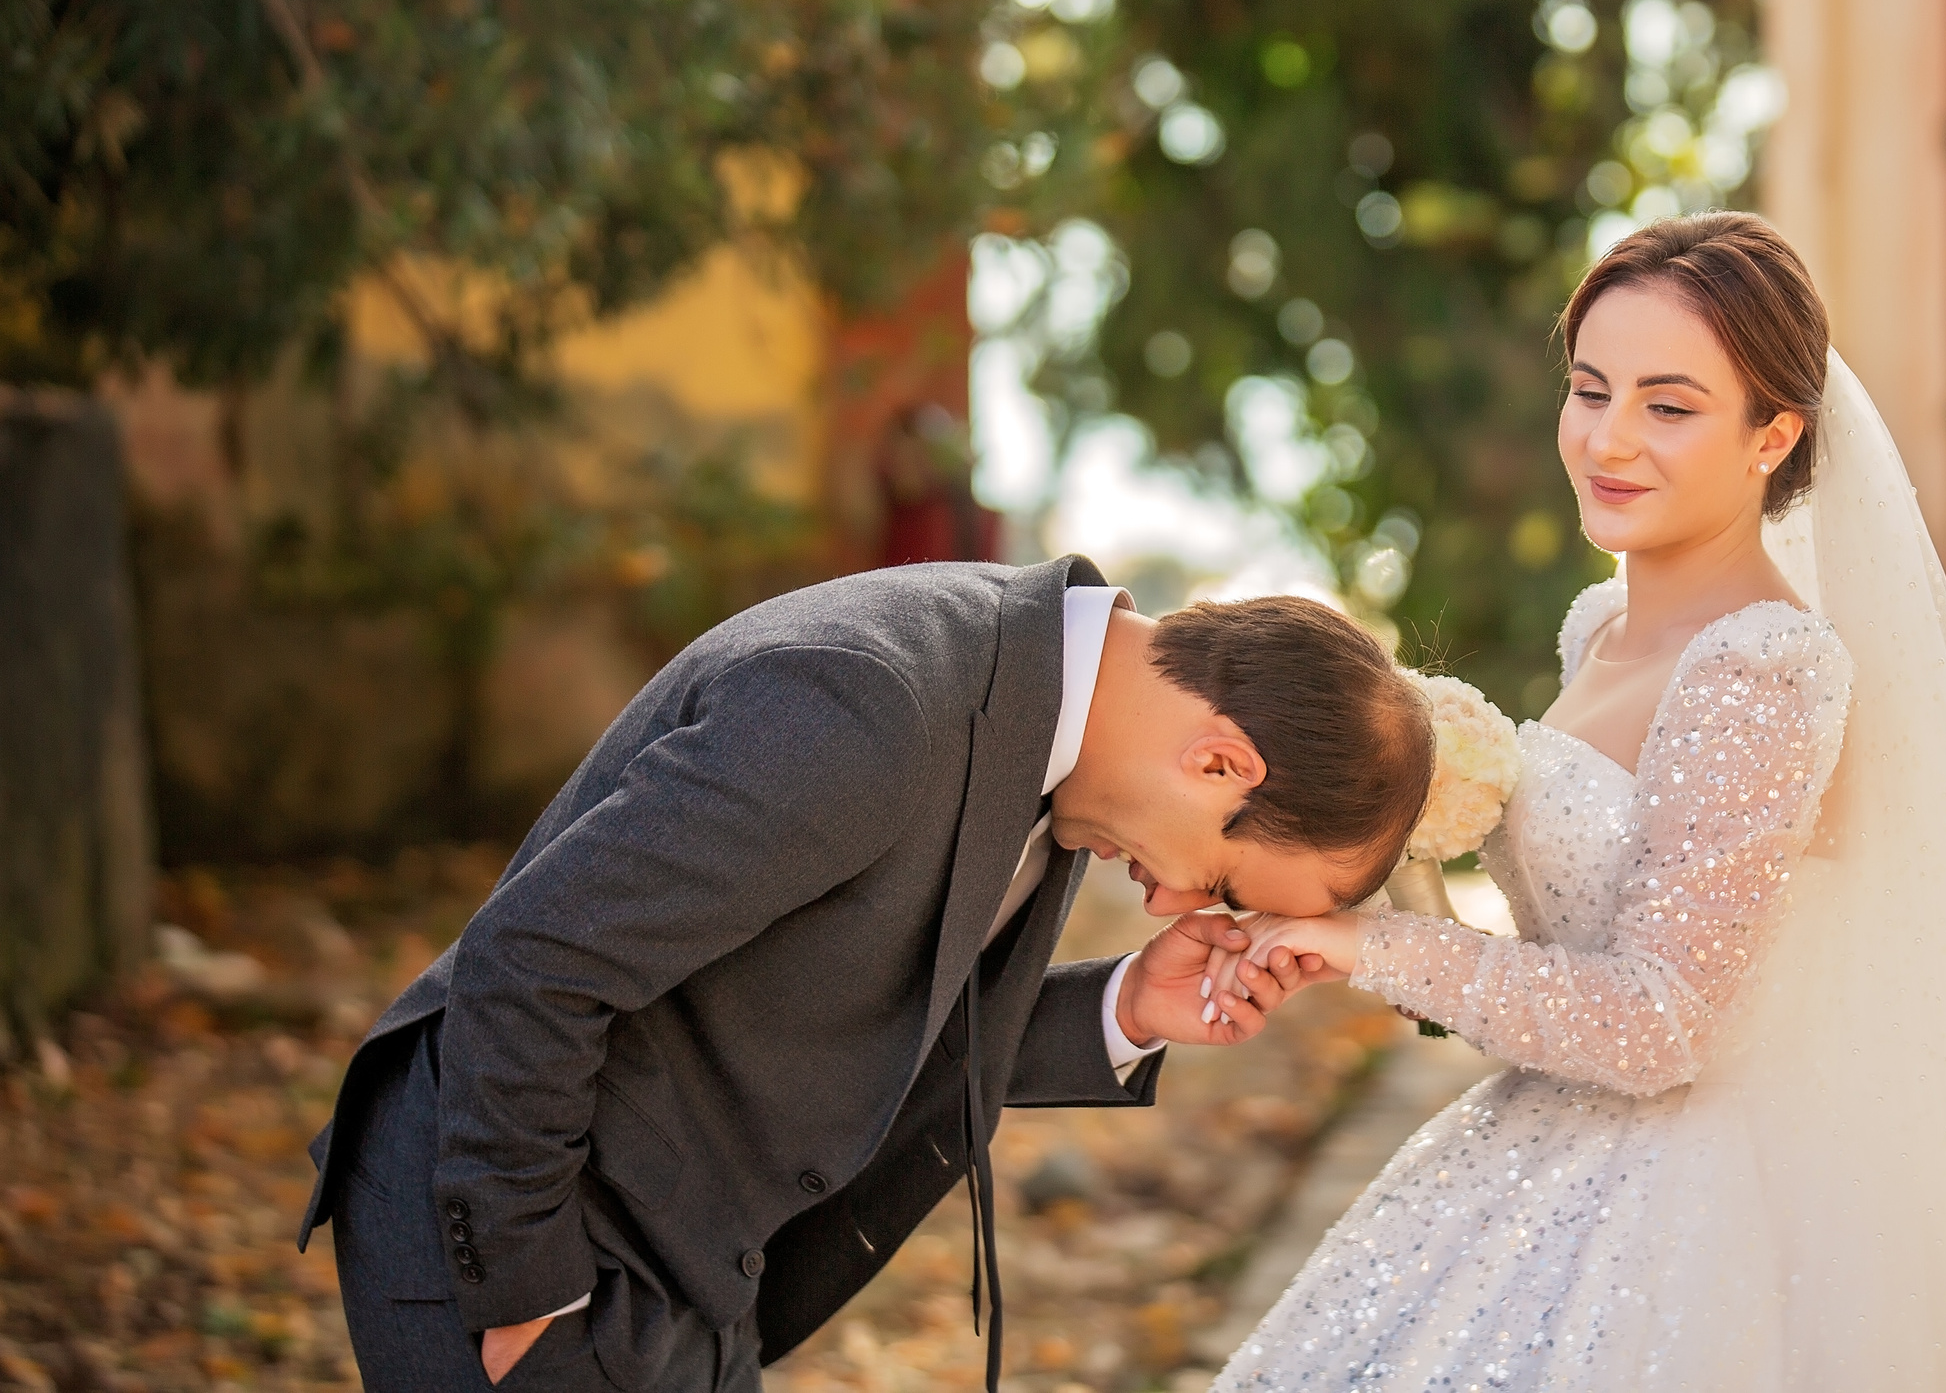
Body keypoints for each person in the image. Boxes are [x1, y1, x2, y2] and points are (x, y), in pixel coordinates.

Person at [1210, 213, 1946, 1389]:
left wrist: (1373, 948)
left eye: (1668, 407)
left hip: (1693, 1214)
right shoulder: (1600, 630)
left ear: (1773, 435)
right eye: (1588, 390)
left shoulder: (1756, 673)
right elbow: (1578, 942)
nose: (1607, 439)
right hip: (1549, 1147)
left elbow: (1661, 1021)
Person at [297, 559, 1433, 1393]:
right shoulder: (877, 702)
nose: (1178, 905)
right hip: (527, 1223)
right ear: (1222, 760)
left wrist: (1128, 1006)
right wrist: (528, 1293)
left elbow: (883, 1013)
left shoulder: (1044, 726)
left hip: (691, 1269)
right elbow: (537, 956)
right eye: (1222, 878)